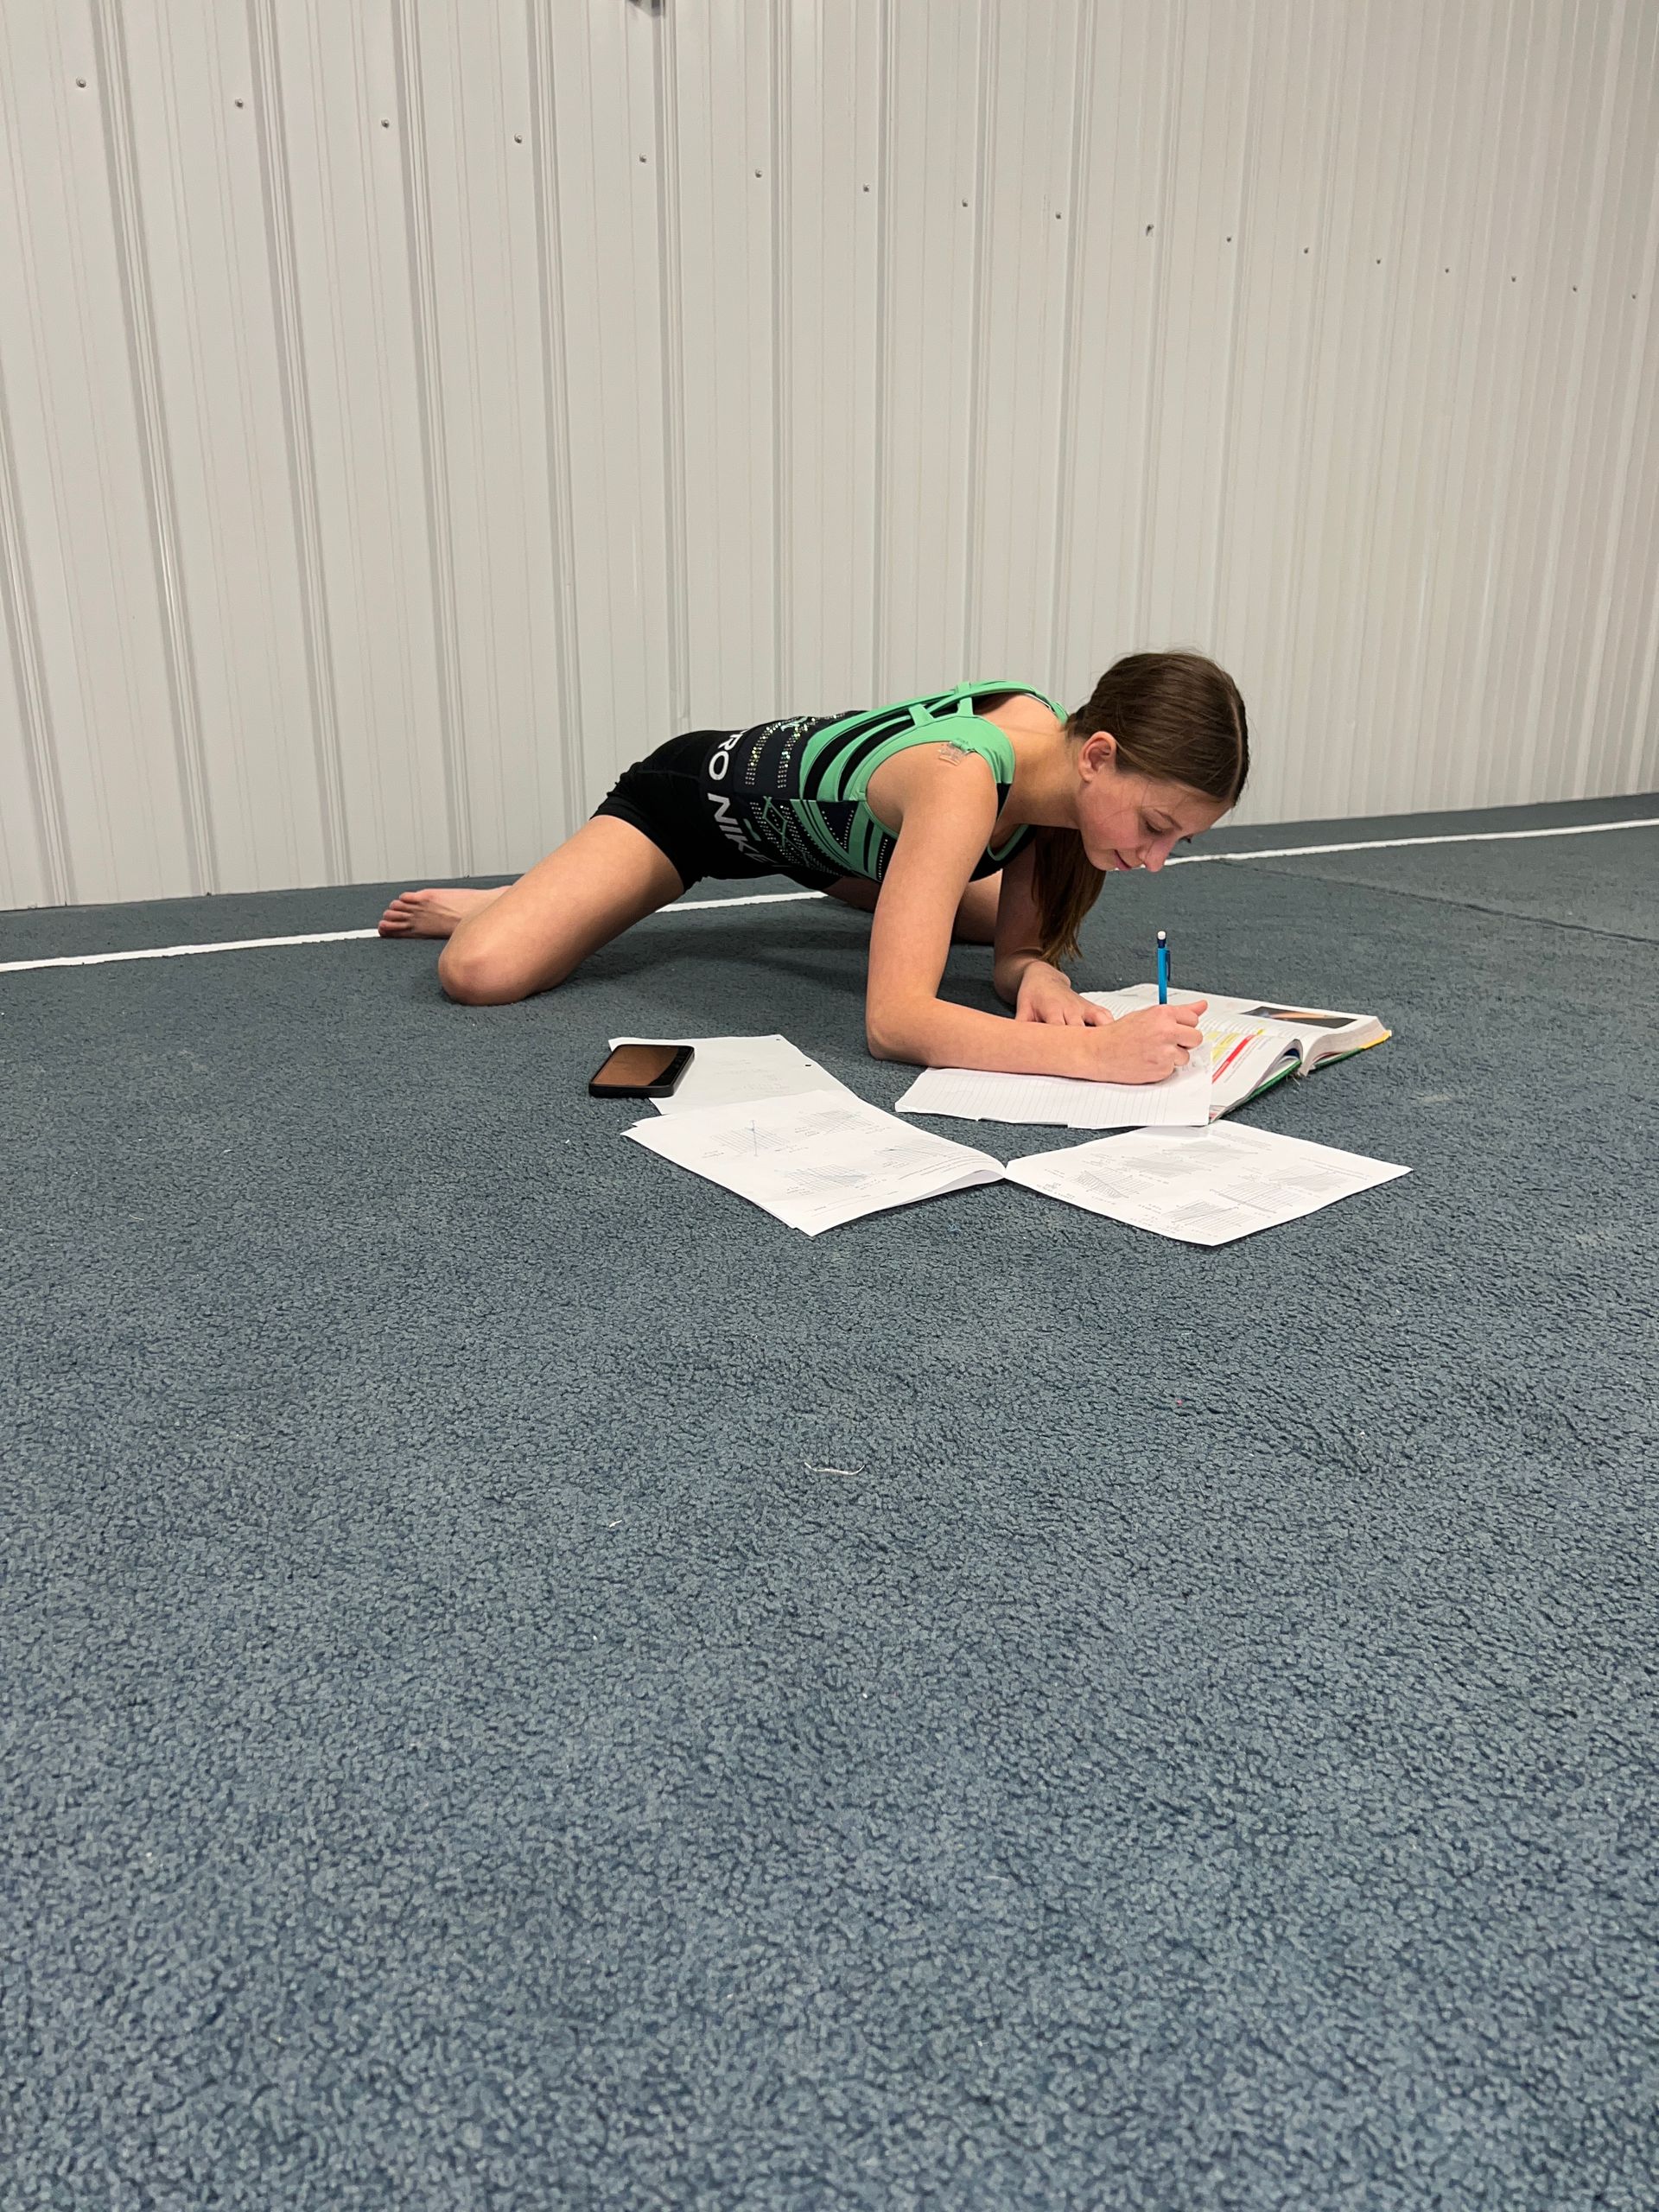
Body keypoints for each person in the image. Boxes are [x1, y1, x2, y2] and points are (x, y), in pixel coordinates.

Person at [378, 649, 1248, 1085]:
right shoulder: (965, 780)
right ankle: (517, 901)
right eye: (1156, 825)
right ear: (1098, 754)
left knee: (975, 921)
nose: (1157, 860)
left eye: (1182, 841)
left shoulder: (1059, 776)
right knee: (481, 970)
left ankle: (552, 897)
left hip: (823, 845)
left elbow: (1017, 950)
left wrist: (1037, 979)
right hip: (700, 804)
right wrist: (1099, 1061)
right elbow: (897, 1023)